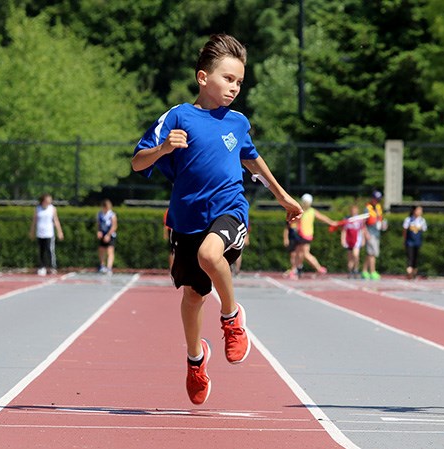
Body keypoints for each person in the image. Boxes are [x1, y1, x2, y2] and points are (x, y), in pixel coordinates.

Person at [131, 34, 302, 405]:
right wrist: (163, 148)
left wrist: (282, 196)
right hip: (186, 218)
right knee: (193, 295)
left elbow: (252, 160)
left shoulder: (238, 122)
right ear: (203, 77)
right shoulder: (178, 116)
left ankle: (231, 316)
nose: (235, 87)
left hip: (229, 210)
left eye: (240, 81)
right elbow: (137, 161)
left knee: (212, 256)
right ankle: (195, 360)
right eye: (228, 78)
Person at [291, 193, 337, 277]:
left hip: (305, 235)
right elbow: (294, 222)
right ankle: (297, 269)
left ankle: (318, 268)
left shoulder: (309, 211)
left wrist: (332, 222)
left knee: (305, 254)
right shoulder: (302, 211)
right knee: (298, 252)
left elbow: (322, 217)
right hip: (301, 235)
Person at [30, 193, 64, 276]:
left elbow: (56, 220)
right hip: (40, 233)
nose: (50, 200)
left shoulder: (52, 209)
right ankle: (42, 267)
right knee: (41, 251)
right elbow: (34, 221)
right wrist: (32, 231)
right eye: (48, 199)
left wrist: (59, 231)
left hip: (49, 233)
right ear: (44, 200)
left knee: (50, 250)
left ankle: (52, 267)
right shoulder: (37, 209)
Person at [339, 204, 369, 279]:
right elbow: (344, 231)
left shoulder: (359, 219)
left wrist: (363, 239)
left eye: (355, 210)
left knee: (356, 255)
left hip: (357, 240)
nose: (354, 211)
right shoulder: (347, 219)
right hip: (349, 240)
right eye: (352, 210)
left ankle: (356, 269)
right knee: (350, 257)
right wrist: (343, 240)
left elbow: (362, 229)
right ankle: (350, 271)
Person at [364, 190, 387, 280]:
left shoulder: (378, 207)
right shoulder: (367, 208)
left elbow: (379, 219)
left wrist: (383, 225)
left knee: (370, 252)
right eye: (376, 199)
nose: (377, 201)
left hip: (377, 232)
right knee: (372, 253)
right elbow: (363, 223)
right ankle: (372, 271)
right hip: (370, 232)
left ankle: (364, 270)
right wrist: (365, 233)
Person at [402, 205, 427, 280]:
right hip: (409, 242)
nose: (420, 212)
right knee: (410, 257)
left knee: (415, 259)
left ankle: (414, 273)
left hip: (417, 242)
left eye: (421, 210)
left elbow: (424, 230)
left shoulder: (422, 220)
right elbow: (405, 231)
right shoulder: (408, 219)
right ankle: (409, 273)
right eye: (418, 210)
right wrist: (404, 240)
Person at [96, 198, 118, 274]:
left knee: (110, 251)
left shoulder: (112, 215)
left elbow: (114, 226)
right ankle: (102, 266)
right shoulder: (100, 214)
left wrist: (108, 235)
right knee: (101, 250)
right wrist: (99, 232)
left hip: (110, 235)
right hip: (103, 234)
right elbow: (98, 225)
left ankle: (109, 267)